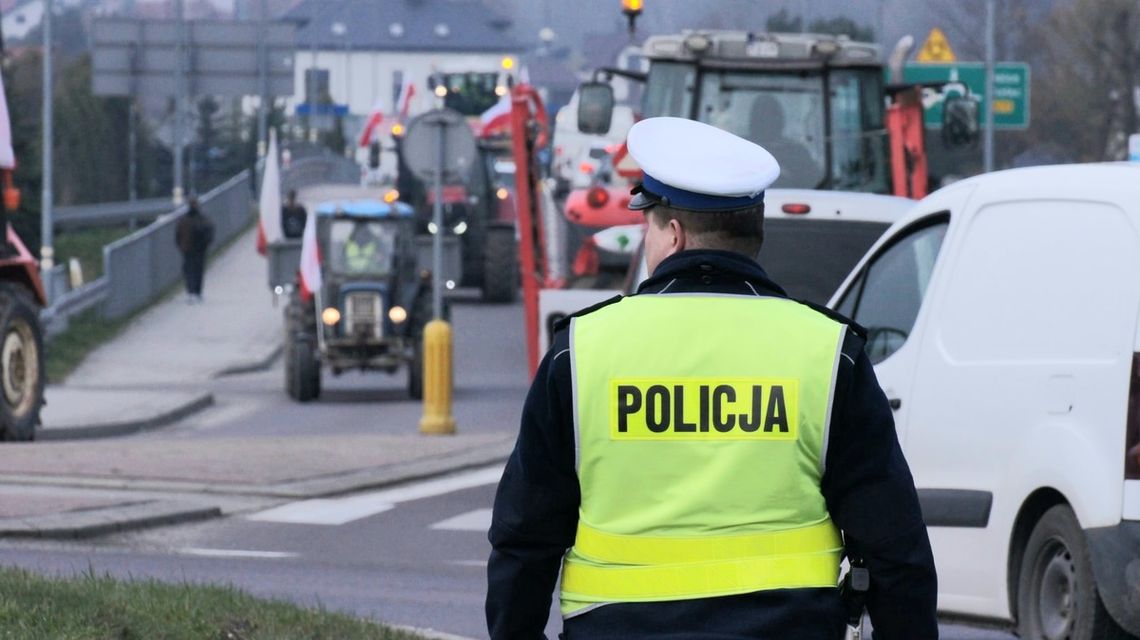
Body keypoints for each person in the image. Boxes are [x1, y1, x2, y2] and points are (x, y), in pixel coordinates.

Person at [486, 117, 937, 639]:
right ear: (754, 236)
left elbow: (524, 540)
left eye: (648, 226)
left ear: (672, 235)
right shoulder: (831, 353)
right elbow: (896, 550)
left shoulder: (581, 352)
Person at [748, 93, 823, 189]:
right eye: (762, 117)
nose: (767, 122)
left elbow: (815, 185)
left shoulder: (797, 152)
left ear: (780, 120)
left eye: (772, 116)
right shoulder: (740, 149)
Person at [175, 194, 215, 303]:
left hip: (192, 249)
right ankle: (194, 292)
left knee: (192, 271)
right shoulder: (202, 219)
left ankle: (194, 292)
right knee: (195, 271)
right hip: (194, 249)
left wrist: (181, 246)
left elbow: (178, 235)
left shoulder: (185, 220)